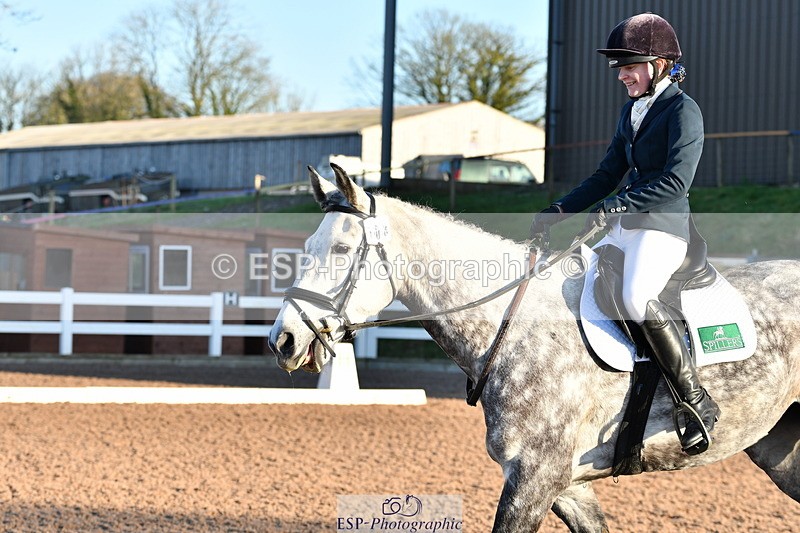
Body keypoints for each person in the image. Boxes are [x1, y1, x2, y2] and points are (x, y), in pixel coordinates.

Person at [529, 13, 720, 455]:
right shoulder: (630, 112)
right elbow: (606, 174)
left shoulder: (683, 110)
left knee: (635, 296)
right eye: (619, 68)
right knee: (570, 281)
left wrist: (619, 203)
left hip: (666, 228)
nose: (622, 75)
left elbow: (676, 182)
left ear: (659, 64)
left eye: (629, 66)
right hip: (626, 225)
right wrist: (559, 209)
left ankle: (694, 401)